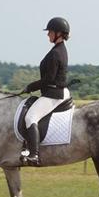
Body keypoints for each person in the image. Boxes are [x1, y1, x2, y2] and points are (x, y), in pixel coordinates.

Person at [20, 17, 70, 166]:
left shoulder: (56, 53)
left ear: (58, 33)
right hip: (57, 91)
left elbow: (49, 79)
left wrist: (30, 87)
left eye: (50, 32)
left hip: (53, 94)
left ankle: (34, 155)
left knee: (30, 117)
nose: (48, 34)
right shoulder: (59, 50)